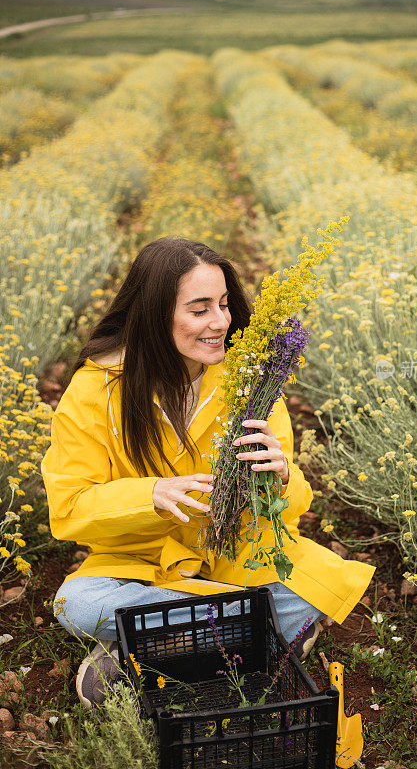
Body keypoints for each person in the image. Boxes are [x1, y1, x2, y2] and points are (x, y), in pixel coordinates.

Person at [41, 237, 375, 709]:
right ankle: (248, 637)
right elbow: (70, 508)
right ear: (155, 315)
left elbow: (290, 513)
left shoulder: (251, 378)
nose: (220, 322)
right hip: (140, 569)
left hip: (236, 562)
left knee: (310, 592)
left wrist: (282, 476)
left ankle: (151, 648)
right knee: (73, 604)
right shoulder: (94, 390)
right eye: (199, 310)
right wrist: (150, 495)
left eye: (222, 305)